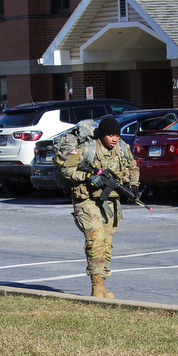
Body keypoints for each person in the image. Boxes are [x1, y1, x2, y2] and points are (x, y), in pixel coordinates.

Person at [60, 116, 140, 298]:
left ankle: (103, 284)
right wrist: (88, 177)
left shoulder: (122, 148)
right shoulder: (86, 149)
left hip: (110, 201)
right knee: (96, 239)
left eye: (117, 135)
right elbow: (66, 170)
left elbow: (133, 167)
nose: (114, 139)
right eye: (110, 135)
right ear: (102, 135)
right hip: (87, 201)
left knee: (106, 244)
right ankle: (96, 286)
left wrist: (134, 186)